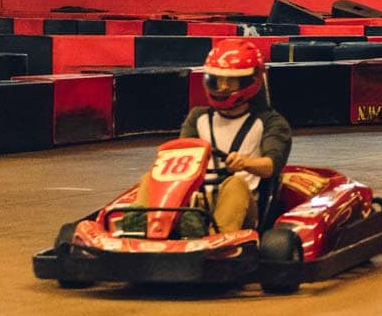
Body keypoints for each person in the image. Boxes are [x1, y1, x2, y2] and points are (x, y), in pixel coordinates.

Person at [124, 39, 292, 236]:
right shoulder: (198, 117)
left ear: (249, 81)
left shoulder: (269, 122)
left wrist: (245, 163)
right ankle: (142, 227)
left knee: (235, 184)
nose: (222, 87)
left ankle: (215, 236)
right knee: (149, 178)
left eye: (231, 81)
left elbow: (271, 166)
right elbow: (183, 157)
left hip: (244, 206)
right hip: (197, 200)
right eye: (218, 80)